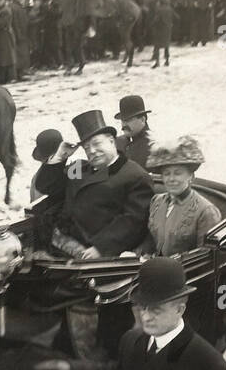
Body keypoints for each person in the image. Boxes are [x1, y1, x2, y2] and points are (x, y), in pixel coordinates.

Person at [35, 257, 226, 370]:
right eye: (143, 308)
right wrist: (71, 369)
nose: (146, 317)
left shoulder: (208, 365)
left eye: (156, 310)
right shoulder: (132, 342)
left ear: (180, 309)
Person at [34, 109, 153, 260]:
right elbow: (47, 187)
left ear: (111, 141)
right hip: (56, 241)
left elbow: (132, 221)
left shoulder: (134, 175)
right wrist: (60, 156)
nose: (92, 151)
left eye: (96, 143)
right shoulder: (79, 168)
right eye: (86, 147)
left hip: (93, 253)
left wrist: (101, 247)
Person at [140, 136, 221, 257]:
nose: (171, 179)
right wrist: (144, 255)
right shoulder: (157, 201)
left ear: (191, 177)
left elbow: (206, 255)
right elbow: (150, 239)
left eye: (178, 173)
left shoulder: (206, 211)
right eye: (167, 174)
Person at [113, 94, 153, 169]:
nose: (124, 125)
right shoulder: (118, 143)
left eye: (128, 120)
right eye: (122, 120)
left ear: (142, 120)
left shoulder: (153, 145)